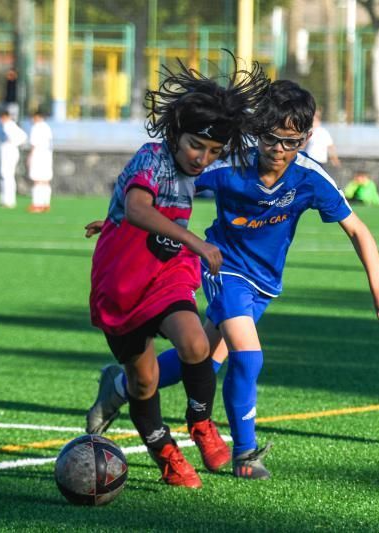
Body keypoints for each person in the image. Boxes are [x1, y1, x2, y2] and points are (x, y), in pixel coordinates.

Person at [85, 80, 379, 480]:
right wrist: (118, 220)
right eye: (271, 139)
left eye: (290, 142)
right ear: (257, 133)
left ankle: (117, 386)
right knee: (249, 355)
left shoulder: (310, 178)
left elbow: (358, 229)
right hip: (222, 267)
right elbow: (155, 195)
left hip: (264, 283)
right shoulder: (226, 166)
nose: (278, 150)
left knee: (203, 356)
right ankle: (245, 452)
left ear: (306, 138)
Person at [87, 55, 270, 488]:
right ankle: (164, 451)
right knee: (144, 379)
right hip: (121, 285)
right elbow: (136, 207)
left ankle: (201, 424)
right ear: (175, 133)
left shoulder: (195, 169)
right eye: (196, 146)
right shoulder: (152, 157)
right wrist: (196, 242)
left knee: (194, 342)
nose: (202, 158)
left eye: (213, 152)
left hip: (166, 275)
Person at [0, 109, 27, 208]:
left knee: (7, 176)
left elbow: (23, 137)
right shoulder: (8, 125)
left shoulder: (9, 125)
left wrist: (13, 142)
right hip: (8, 151)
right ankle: (5, 198)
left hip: (9, 152)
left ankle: (9, 200)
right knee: (6, 175)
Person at [27, 110, 53, 213]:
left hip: (38, 155)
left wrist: (30, 157)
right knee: (45, 181)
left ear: (37, 117)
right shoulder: (47, 127)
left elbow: (34, 144)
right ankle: (46, 203)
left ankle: (37, 204)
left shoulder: (36, 127)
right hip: (47, 156)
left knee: (37, 180)